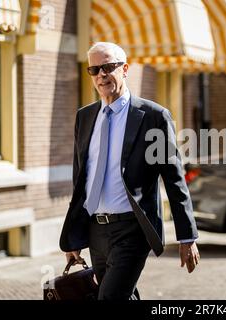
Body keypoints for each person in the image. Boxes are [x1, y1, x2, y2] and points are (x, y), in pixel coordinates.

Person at [59, 42, 200, 300]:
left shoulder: (153, 116)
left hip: (132, 230)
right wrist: (73, 236)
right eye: (94, 70)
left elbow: (173, 177)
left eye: (109, 67)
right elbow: (80, 181)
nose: (102, 74)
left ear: (124, 69)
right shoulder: (85, 117)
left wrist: (187, 235)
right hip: (95, 230)